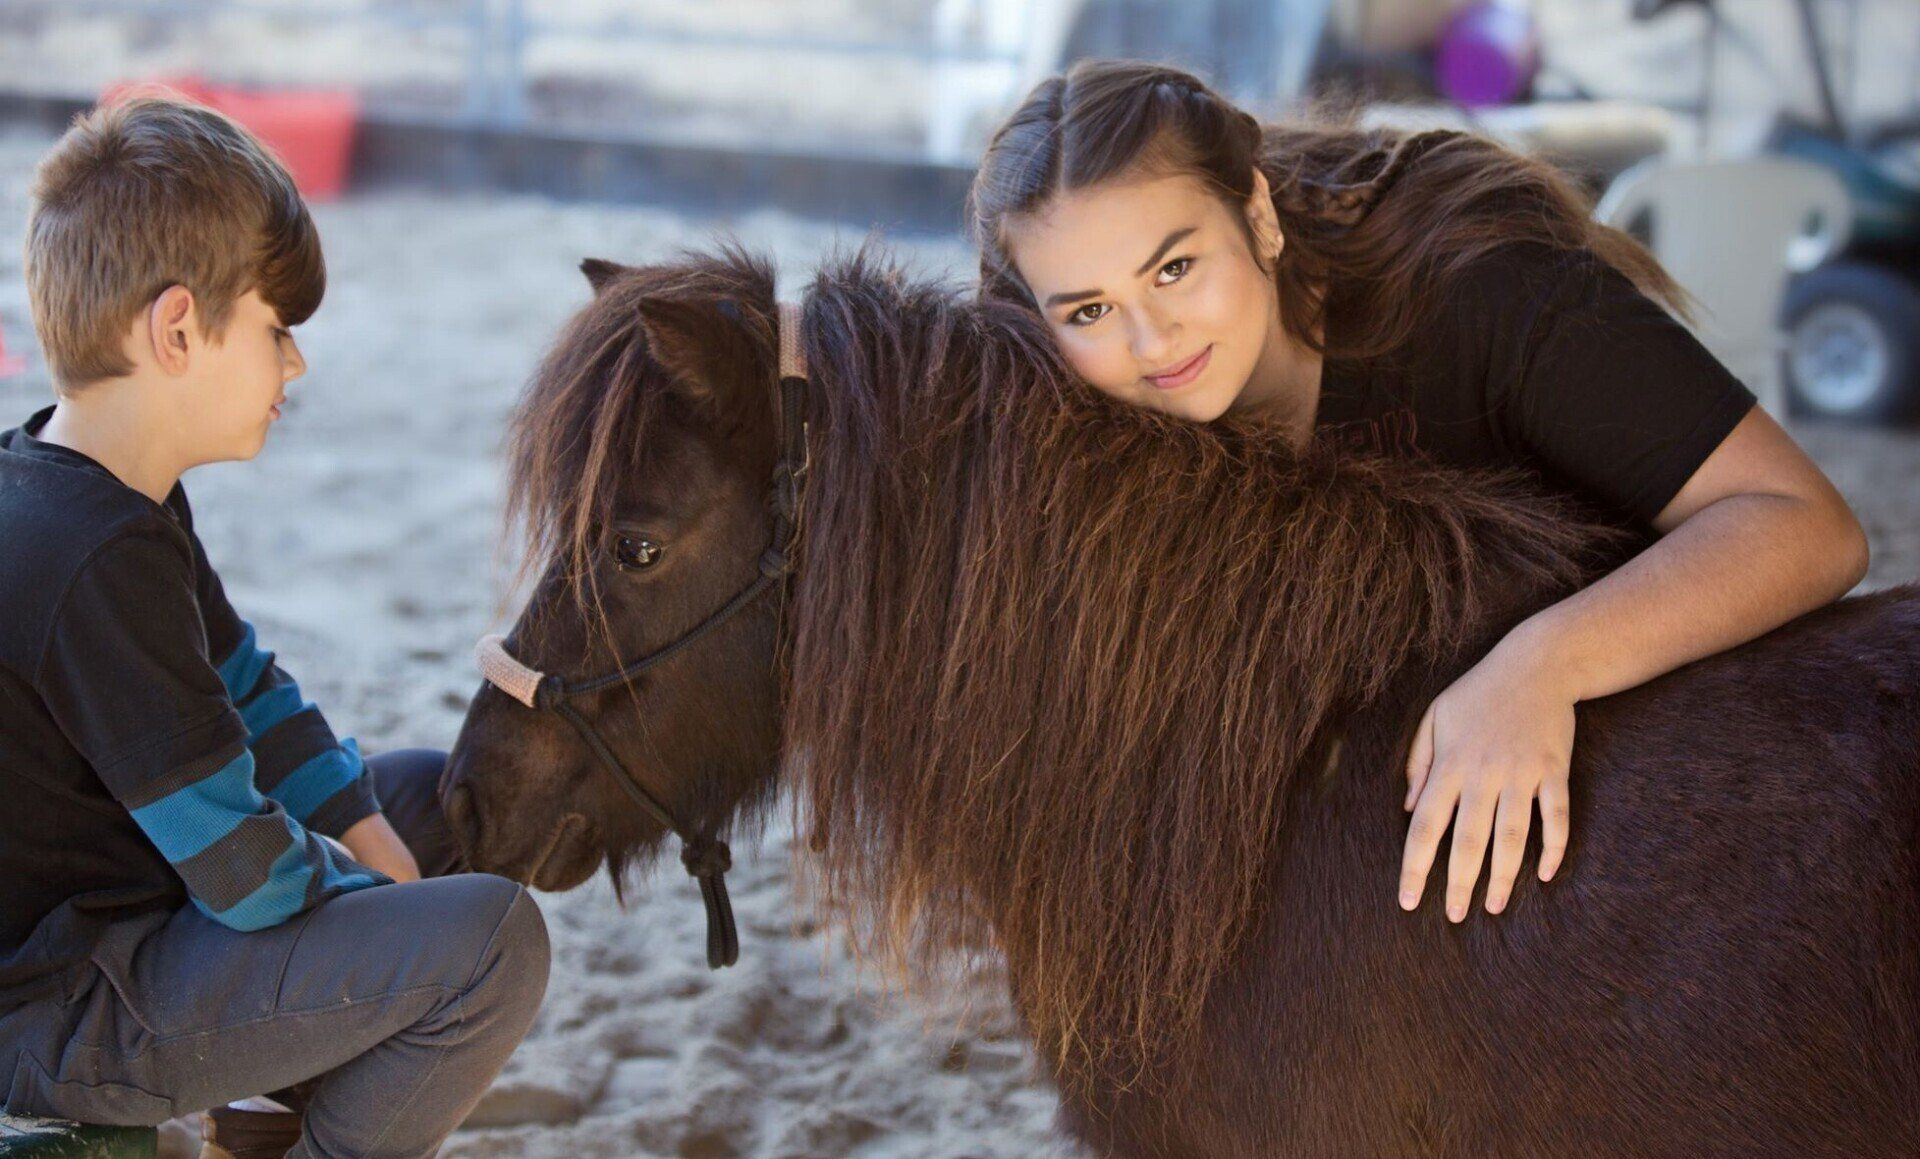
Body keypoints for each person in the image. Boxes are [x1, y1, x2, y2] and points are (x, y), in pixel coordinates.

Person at [966, 60, 1869, 925]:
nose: (1152, 339)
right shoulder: (1085, 396)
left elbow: (1806, 525)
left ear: (1259, 216)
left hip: (1665, 763)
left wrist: (1543, 665)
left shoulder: (1481, 288)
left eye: (1174, 268)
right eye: (1088, 310)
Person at [0, 97, 549, 1159]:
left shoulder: (101, 491)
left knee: (432, 803)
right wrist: (372, 895)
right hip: (60, 1008)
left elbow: (243, 681)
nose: (293, 366)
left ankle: (256, 1112)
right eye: (275, 328)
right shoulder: (93, 559)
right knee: (492, 944)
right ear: (175, 330)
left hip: (132, 916)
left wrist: (374, 837)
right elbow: (245, 871)